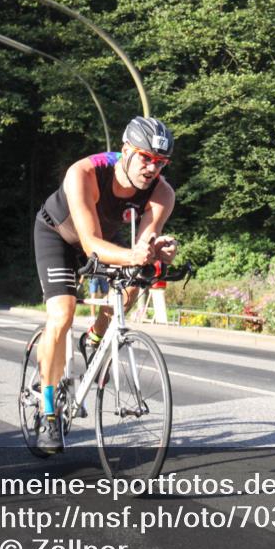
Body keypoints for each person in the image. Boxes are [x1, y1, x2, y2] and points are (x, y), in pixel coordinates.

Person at [33, 117, 178, 454]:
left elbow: (143, 245)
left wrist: (157, 251)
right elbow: (90, 244)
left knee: (133, 283)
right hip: (60, 235)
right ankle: (48, 411)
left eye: (160, 163)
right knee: (62, 314)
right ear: (125, 151)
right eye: (145, 157)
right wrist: (133, 255)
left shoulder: (162, 193)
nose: (151, 168)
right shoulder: (84, 173)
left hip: (106, 241)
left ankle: (95, 336)